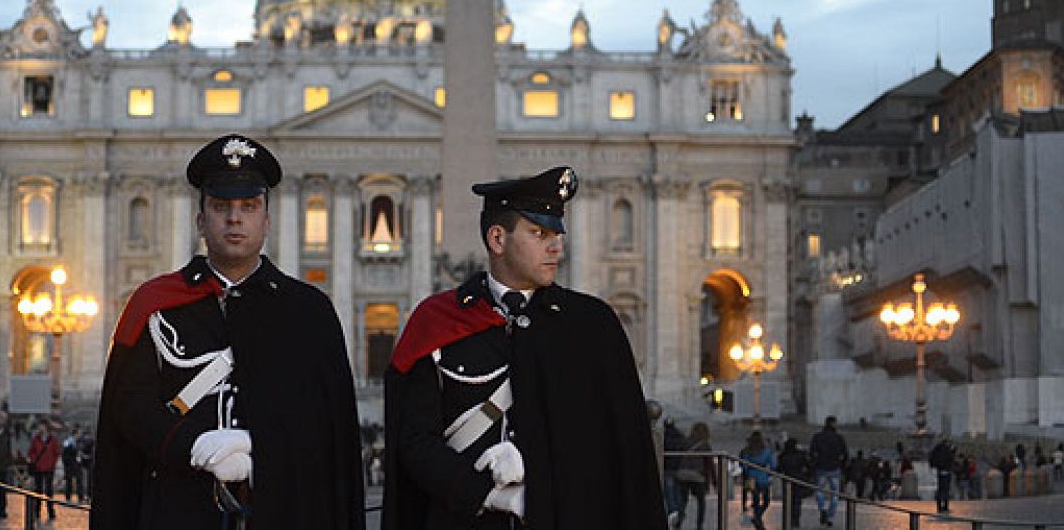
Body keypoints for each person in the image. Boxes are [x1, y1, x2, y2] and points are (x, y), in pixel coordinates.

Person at [91, 134, 364, 529]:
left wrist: (263, 450)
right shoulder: (156, 304)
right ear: (201, 220)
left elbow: (328, 430)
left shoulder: (309, 312)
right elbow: (130, 408)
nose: (235, 218)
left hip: (282, 509)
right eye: (221, 206)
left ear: (267, 220)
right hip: (179, 509)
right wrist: (194, 445)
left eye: (249, 207)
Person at [383, 165, 666, 529]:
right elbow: (415, 442)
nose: (556, 246)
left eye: (557, 234)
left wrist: (535, 461)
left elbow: (617, 445)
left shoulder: (592, 325)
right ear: (497, 239)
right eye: (538, 233)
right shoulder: (437, 320)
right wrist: (487, 494)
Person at [809, 416, 848, 526]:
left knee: (819, 491)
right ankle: (831, 517)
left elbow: (812, 452)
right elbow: (845, 454)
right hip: (835, 468)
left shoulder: (817, 437)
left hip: (821, 467)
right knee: (834, 494)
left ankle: (822, 509)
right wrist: (842, 466)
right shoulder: (839, 438)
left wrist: (814, 464)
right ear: (834, 424)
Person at [27, 421, 61, 521]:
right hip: (38, 468)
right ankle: (37, 511)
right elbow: (31, 452)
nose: (40, 428)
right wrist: (34, 461)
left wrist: (52, 464)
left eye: (42, 426)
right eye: (39, 426)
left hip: (49, 468)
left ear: (46, 427)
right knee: (38, 490)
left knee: (49, 491)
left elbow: (56, 453)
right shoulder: (36, 439)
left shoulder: (52, 439)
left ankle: (51, 511)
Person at [743, 431, 776, 530]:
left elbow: (744, 465)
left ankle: (757, 517)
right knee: (766, 501)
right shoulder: (766, 451)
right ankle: (758, 516)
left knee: (755, 500)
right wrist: (769, 472)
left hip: (751, 477)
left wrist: (748, 473)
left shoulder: (747, 451)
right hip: (763, 477)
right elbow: (773, 465)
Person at [777, 438, 812, 528]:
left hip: (787, 481)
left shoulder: (783, 456)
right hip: (798, 480)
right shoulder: (800, 455)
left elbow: (779, 469)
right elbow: (808, 466)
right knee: (797, 501)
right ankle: (796, 520)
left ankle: (788, 519)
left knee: (788, 502)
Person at [928, 437, 956, 513]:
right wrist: (953, 451)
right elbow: (951, 459)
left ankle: (939, 507)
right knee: (946, 490)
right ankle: (946, 507)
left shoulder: (937, 449)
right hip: (946, 471)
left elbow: (931, 458)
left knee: (940, 490)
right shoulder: (947, 450)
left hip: (939, 471)